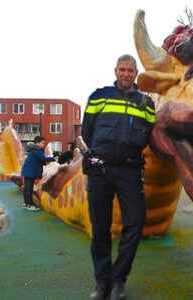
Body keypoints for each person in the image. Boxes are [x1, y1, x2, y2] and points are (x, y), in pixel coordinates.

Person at [81, 54, 155, 300]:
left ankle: (118, 280)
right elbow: (87, 131)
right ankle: (102, 284)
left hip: (130, 170)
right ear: (116, 71)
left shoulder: (146, 103)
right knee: (100, 228)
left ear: (136, 73)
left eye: (130, 70)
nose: (125, 74)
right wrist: (99, 153)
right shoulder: (98, 96)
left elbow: (149, 136)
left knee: (135, 223)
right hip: (100, 169)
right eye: (122, 69)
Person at [21, 136, 55, 211]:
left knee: (27, 188)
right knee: (29, 189)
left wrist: (45, 162)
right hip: (30, 172)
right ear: (37, 143)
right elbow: (43, 158)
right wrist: (53, 158)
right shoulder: (37, 150)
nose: (44, 145)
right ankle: (30, 204)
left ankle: (26, 203)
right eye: (42, 143)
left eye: (44, 143)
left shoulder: (34, 150)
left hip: (28, 171)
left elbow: (40, 161)